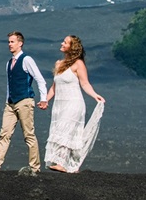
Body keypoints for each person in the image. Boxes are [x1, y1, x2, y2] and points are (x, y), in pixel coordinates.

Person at [0, 31, 49, 173]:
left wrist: (43, 98)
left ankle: (35, 167)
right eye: (9, 42)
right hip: (10, 103)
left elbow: (40, 79)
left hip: (24, 100)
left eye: (12, 42)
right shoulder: (9, 63)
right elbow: (9, 84)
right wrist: (7, 101)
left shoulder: (26, 59)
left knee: (28, 134)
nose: (9, 44)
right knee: (4, 133)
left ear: (20, 43)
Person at [44, 35, 106, 173]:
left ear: (72, 47)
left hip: (73, 103)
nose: (62, 43)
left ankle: (62, 164)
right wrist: (46, 100)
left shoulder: (78, 64)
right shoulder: (58, 64)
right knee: (61, 131)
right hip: (60, 106)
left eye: (65, 42)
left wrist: (95, 95)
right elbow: (54, 87)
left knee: (66, 130)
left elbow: (84, 83)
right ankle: (72, 166)